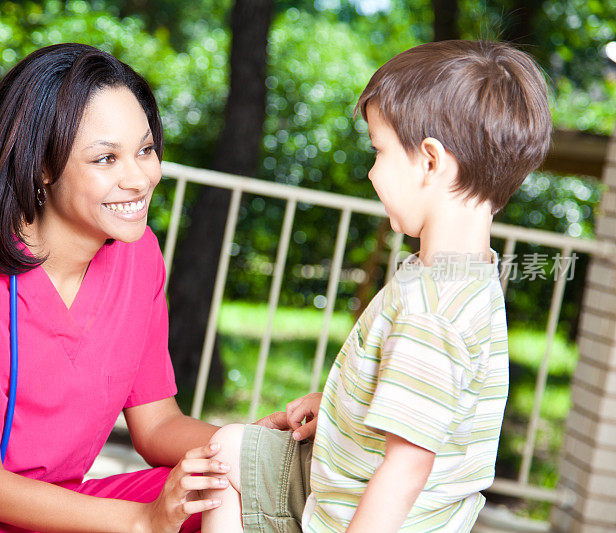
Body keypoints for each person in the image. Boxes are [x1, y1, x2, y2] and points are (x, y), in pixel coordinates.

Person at [0, 42, 276, 533]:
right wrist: (140, 521)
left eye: (145, 149)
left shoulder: (139, 253)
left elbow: (158, 428)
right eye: (106, 158)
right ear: (42, 164)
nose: (139, 178)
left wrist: (259, 447)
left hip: (47, 506)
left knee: (228, 484)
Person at [200, 39, 552, 533]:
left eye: (379, 150)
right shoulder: (464, 276)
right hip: (351, 477)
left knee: (218, 460)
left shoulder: (431, 311)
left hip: (351, 512)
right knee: (232, 446)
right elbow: (428, 400)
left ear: (431, 161)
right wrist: (343, 404)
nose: (371, 171)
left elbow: (407, 466)